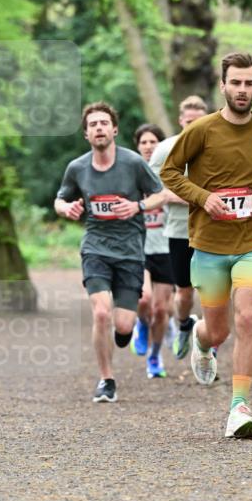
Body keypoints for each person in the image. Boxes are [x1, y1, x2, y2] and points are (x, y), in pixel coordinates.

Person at [161, 52, 252, 439]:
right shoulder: (202, 131)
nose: (243, 90)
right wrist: (202, 197)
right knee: (219, 331)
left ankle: (238, 407)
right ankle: (201, 339)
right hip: (209, 244)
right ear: (222, 85)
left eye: (250, 83)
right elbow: (170, 172)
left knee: (246, 316)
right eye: (236, 83)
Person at [54, 101, 161, 402]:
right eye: (92, 125)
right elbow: (59, 200)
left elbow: (161, 194)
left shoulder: (133, 163)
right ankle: (106, 380)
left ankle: (127, 331)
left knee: (123, 326)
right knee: (102, 313)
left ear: (114, 129)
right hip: (96, 249)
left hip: (130, 252)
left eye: (103, 123)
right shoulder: (77, 168)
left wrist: (137, 205)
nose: (98, 128)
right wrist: (67, 208)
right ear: (86, 134)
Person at [149, 96, 208, 360]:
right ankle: (184, 324)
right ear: (181, 121)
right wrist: (192, 197)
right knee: (184, 293)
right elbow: (152, 189)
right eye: (189, 122)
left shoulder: (217, 146)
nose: (193, 126)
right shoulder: (165, 149)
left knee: (212, 292)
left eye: (198, 121)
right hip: (178, 231)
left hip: (213, 230)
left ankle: (209, 345)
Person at [130, 124, 175, 379]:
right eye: (144, 142)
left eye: (153, 142)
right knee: (143, 299)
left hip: (166, 248)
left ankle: (155, 356)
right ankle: (141, 325)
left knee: (161, 309)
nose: (148, 146)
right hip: (139, 248)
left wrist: (168, 196)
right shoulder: (130, 174)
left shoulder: (170, 174)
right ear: (138, 147)